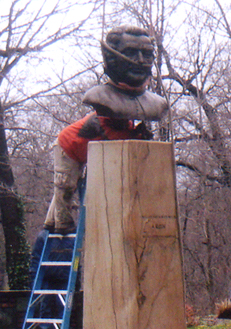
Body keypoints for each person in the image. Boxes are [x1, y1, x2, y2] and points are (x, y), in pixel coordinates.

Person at [43, 25, 168, 235]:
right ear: (111, 57)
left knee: (66, 186)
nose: (139, 60)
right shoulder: (101, 109)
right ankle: (61, 224)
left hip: (80, 149)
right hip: (68, 147)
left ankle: (50, 221)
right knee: (65, 185)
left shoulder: (154, 104)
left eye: (146, 54)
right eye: (130, 52)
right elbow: (112, 139)